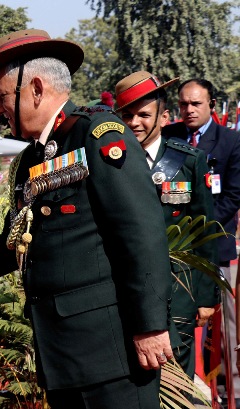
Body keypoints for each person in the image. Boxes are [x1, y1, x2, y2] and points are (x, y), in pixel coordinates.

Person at [0, 29, 173, 408]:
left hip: (113, 356)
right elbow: (12, 245)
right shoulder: (32, 159)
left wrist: (150, 327)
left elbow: (141, 234)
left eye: (2, 97)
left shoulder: (97, 136)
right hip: (62, 357)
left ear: (35, 88)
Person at [115, 71, 219, 379]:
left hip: (179, 290)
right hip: (126, 289)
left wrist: (205, 298)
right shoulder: (111, 162)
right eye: (127, 116)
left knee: (178, 376)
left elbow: (204, 232)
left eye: (144, 115)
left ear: (164, 117)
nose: (134, 123)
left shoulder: (188, 161)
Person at [161, 79, 240, 396]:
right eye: (183, 104)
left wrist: (199, 228)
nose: (189, 110)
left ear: (211, 104)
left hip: (215, 247)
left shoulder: (231, 140)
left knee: (225, 323)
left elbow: (233, 195)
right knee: (176, 319)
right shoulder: (168, 137)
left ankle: (230, 387)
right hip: (174, 249)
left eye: (196, 103)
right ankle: (177, 385)